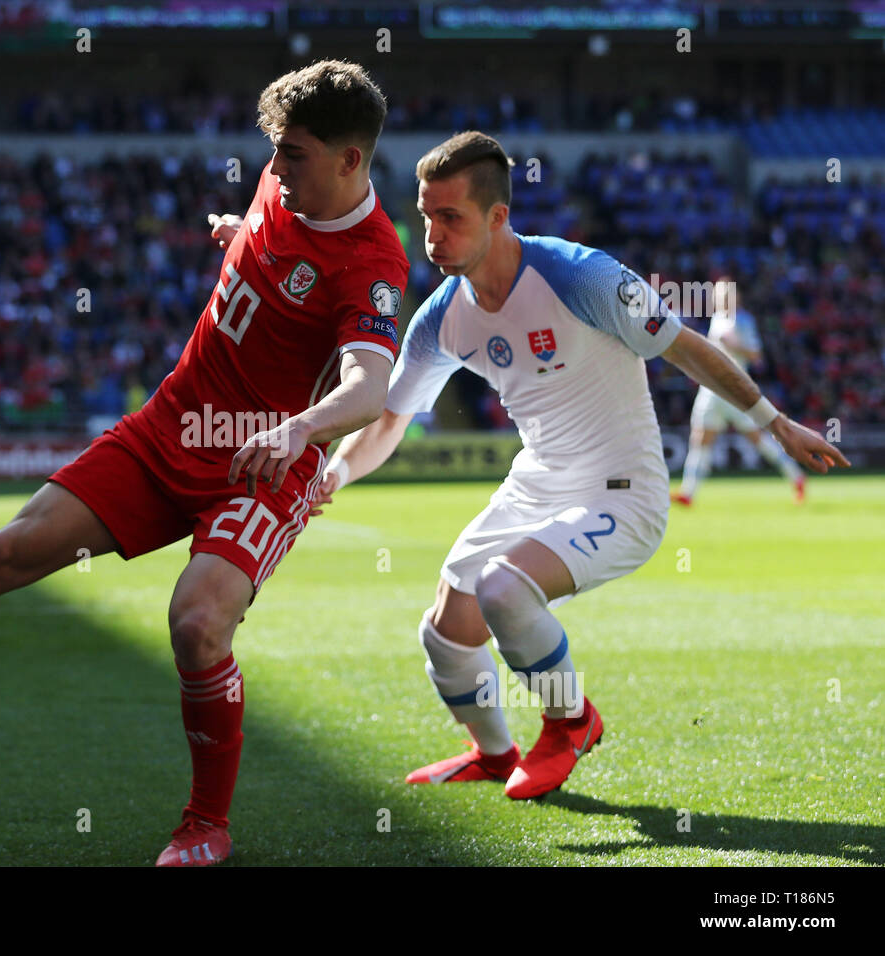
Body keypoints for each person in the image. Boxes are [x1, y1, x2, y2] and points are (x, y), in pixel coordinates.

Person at [0, 60, 410, 867]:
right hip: (168, 429)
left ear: (350, 160)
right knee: (3, 552)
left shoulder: (373, 264)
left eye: (295, 155)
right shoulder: (279, 183)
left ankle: (205, 825)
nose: (277, 167)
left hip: (263, 462)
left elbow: (371, 386)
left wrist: (300, 431)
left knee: (196, 625)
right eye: (276, 152)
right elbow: (272, 241)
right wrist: (241, 233)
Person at [310, 131, 848, 800]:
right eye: (425, 216)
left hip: (623, 493)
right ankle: (493, 751)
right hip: (538, 481)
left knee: (504, 590)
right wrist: (331, 475)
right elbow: (388, 420)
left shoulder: (581, 276)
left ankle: (571, 720)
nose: (431, 234)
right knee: (447, 629)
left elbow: (685, 348)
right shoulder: (442, 317)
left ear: (498, 216)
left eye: (450, 217)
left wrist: (775, 420)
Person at [672, 277, 805, 506]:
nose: (720, 298)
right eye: (718, 294)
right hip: (712, 388)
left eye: (725, 294)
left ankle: (796, 475)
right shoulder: (717, 318)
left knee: (757, 439)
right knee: (700, 437)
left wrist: (734, 346)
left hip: (735, 389)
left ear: (735, 296)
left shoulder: (743, 320)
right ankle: (688, 493)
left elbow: (756, 355)